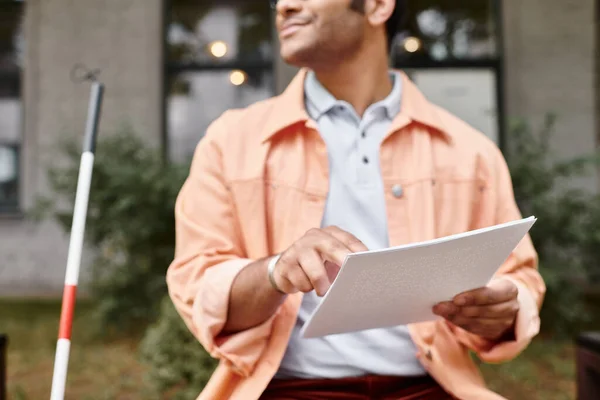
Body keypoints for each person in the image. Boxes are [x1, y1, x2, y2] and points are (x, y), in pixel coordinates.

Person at [166, 0, 545, 399]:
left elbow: (519, 280)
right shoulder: (230, 142)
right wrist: (278, 270)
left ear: (378, 6)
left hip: (430, 387)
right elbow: (199, 287)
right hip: (290, 389)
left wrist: (503, 309)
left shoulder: (470, 152)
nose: (284, 7)